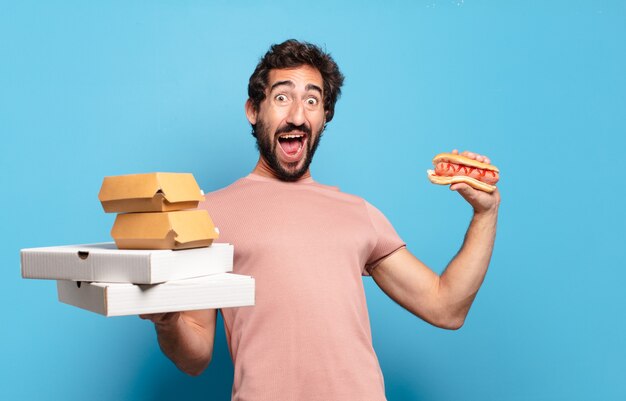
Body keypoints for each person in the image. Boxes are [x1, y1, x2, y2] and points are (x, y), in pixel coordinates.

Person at [140, 39, 501, 401]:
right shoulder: (208, 214)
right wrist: (168, 322)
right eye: (282, 97)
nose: (297, 114)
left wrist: (485, 213)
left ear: (324, 116)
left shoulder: (358, 213)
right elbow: (196, 357)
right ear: (254, 110)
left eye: (312, 101)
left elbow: (446, 307)